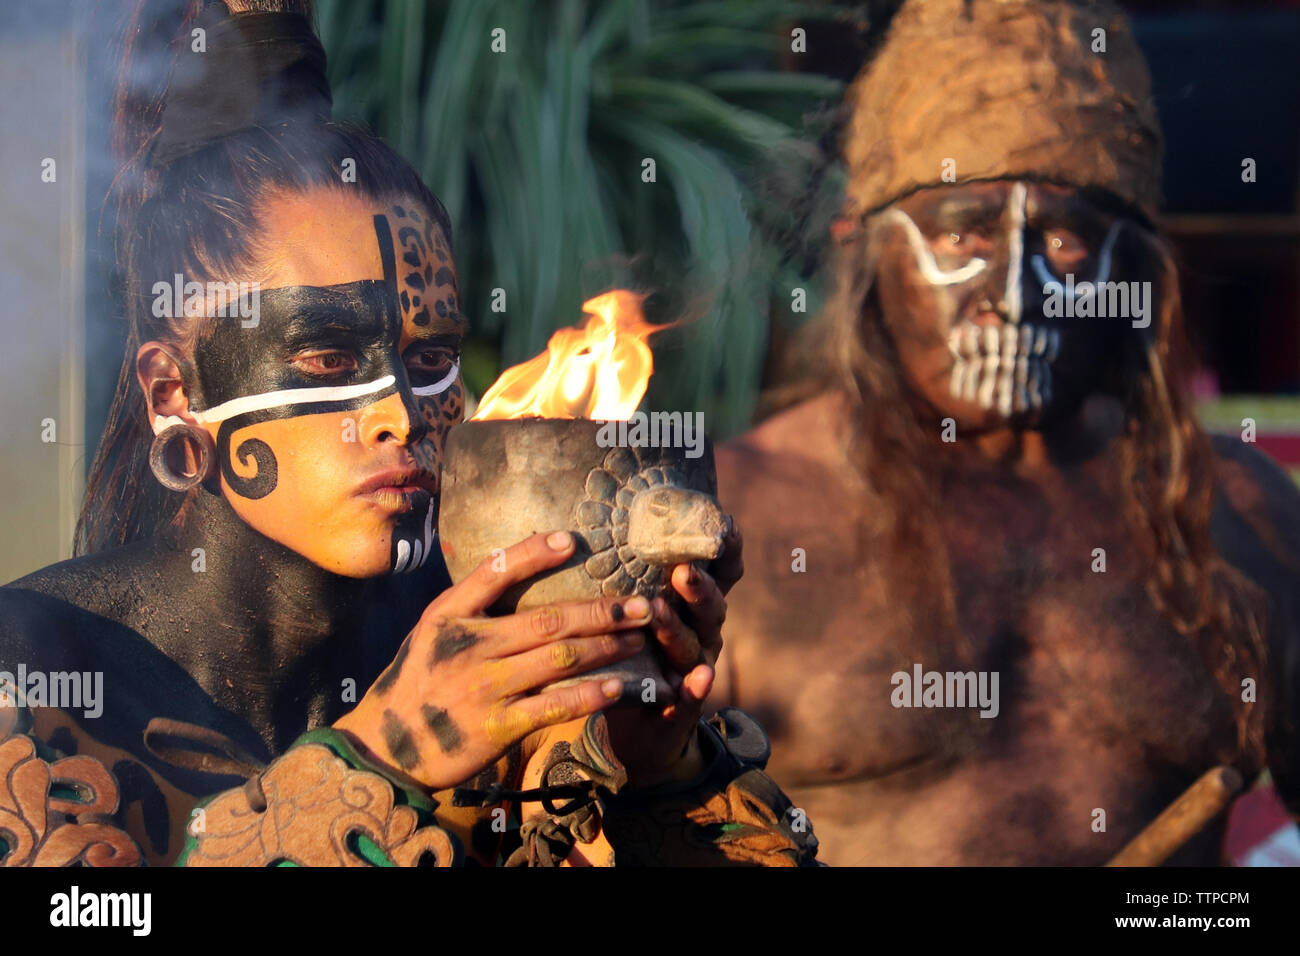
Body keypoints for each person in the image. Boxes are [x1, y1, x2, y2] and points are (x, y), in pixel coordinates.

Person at [0, 0, 817, 868]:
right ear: (174, 396)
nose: (403, 410)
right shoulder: (33, 669)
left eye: (430, 358)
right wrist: (377, 765)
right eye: (326, 355)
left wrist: (661, 772)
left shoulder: (508, 647)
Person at [713, 0, 1300, 865]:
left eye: (1064, 240)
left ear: (1130, 268)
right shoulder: (735, 520)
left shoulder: (1244, 515)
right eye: (964, 232)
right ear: (864, 251)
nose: (1014, 294)